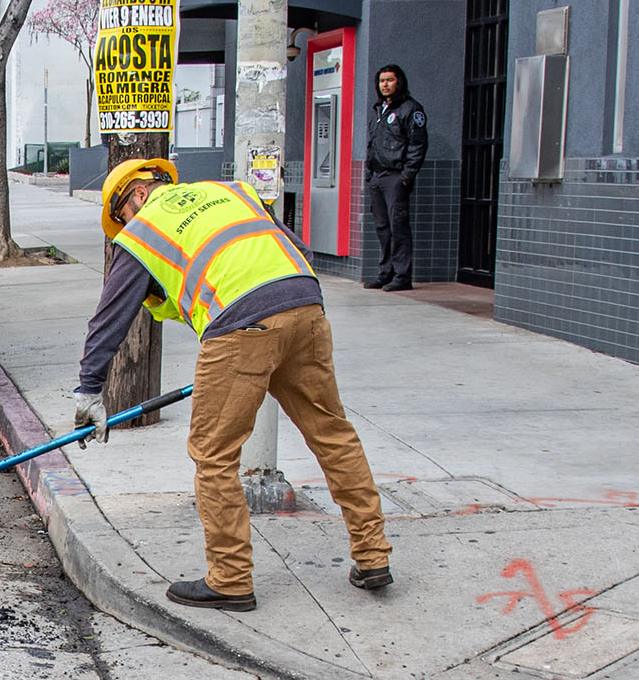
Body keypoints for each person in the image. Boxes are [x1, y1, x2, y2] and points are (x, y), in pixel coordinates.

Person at [73, 159, 391, 611]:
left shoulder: (142, 231)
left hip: (241, 328)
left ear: (136, 196)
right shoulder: (233, 193)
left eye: (120, 216)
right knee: (333, 435)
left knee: (213, 454)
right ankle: (373, 555)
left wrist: (89, 390)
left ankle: (230, 578)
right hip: (306, 306)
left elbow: (110, 318)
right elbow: (298, 248)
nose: (124, 225)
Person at [364, 64, 426, 292]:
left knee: (398, 226)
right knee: (382, 227)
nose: (385, 84)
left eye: (390, 80)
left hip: (396, 177)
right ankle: (385, 272)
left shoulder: (411, 109)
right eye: (382, 81)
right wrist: (370, 174)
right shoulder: (379, 110)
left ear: (399, 82)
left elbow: (417, 145)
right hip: (378, 177)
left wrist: (406, 176)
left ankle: (402, 276)